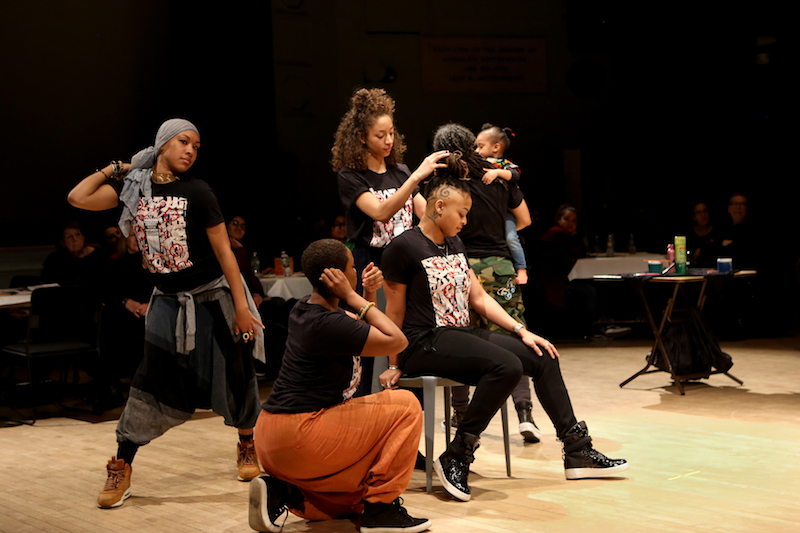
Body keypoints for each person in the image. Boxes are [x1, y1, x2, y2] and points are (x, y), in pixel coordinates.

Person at [380, 155, 628, 502]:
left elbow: (478, 297)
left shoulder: (455, 243)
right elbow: (394, 311)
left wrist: (521, 330)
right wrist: (392, 365)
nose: (466, 221)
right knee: (507, 366)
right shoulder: (403, 247)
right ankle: (458, 454)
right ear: (438, 207)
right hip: (423, 342)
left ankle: (577, 449)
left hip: (458, 334)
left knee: (540, 354)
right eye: (461, 213)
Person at [67, 118, 266, 509]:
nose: (190, 150)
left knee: (237, 370)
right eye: (182, 142)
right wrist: (118, 168)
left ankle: (246, 444)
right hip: (168, 302)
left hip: (214, 298)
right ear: (162, 145)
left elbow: (226, 252)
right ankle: (122, 464)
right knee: (148, 379)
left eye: (196, 145)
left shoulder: (200, 191)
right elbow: (77, 197)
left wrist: (243, 307)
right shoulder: (133, 190)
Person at [249, 239, 430, 533]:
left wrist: (365, 293)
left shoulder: (303, 310)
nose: (357, 272)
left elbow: (355, 326)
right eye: (352, 268)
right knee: (405, 405)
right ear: (338, 277)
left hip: (274, 438)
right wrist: (356, 297)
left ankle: (284, 492)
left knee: (352, 501)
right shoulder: (328, 324)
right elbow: (398, 340)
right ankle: (381, 510)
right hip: (299, 434)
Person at [333, 87, 448, 394]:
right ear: (361, 137)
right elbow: (381, 212)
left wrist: (451, 202)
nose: (388, 141)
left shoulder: (400, 171)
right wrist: (415, 178)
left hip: (403, 264)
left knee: (405, 338)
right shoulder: (350, 175)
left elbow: (427, 217)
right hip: (369, 265)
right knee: (368, 339)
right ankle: (361, 413)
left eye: (392, 133)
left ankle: (405, 418)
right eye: (380, 135)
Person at [433, 124, 539, 444]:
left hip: (460, 267)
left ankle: (462, 415)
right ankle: (525, 414)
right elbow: (525, 220)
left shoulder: (447, 181)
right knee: (515, 338)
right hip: (500, 267)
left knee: (460, 340)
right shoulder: (498, 175)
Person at [475, 123, 528, 285]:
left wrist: (497, 172)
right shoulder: (478, 163)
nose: (476, 150)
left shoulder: (504, 164)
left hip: (506, 212)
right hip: (488, 215)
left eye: (480, 146)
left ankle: (521, 268)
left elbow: (516, 175)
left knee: (511, 238)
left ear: (496, 147)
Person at [535, 204, 599, 339]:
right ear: (559, 219)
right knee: (589, 290)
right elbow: (580, 252)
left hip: (556, 278)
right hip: (551, 282)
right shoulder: (557, 232)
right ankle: (587, 330)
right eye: (567, 219)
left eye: (574, 221)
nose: (570, 224)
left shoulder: (561, 234)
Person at [41, 219, 109, 287]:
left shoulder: (100, 256)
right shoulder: (54, 259)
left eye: (78, 234)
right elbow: (47, 284)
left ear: (83, 237)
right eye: (69, 237)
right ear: (62, 243)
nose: (75, 239)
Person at [227, 214, 266, 308]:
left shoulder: (243, 249)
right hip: (231, 297)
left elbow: (249, 275)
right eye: (235, 223)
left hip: (247, 295)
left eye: (242, 226)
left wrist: (257, 293)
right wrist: (241, 250)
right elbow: (235, 270)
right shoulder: (222, 249)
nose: (238, 228)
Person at [685, 201, 719, 268]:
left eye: (705, 211)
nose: (703, 215)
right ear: (694, 217)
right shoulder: (689, 234)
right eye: (699, 212)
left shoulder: (717, 231)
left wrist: (701, 251)